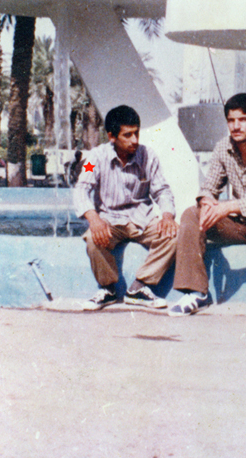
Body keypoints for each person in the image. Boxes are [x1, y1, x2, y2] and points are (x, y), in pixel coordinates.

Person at [169, 93, 246, 324]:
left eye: (243, 120)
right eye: (231, 120)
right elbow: (209, 187)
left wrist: (229, 207)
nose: (236, 126)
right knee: (192, 214)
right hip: (239, 224)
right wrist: (207, 202)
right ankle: (195, 293)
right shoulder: (223, 147)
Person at [73, 105, 178, 311]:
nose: (135, 140)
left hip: (142, 218)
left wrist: (167, 216)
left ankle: (139, 288)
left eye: (136, 133)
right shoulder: (94, 158)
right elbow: (81, 188)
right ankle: (108, 290)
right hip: (109, 219)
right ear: (112, 136)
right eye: (127, 135)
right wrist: (94, 219)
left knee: (175, 235)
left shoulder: (148, 155)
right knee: (93, 239)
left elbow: (162, 190)